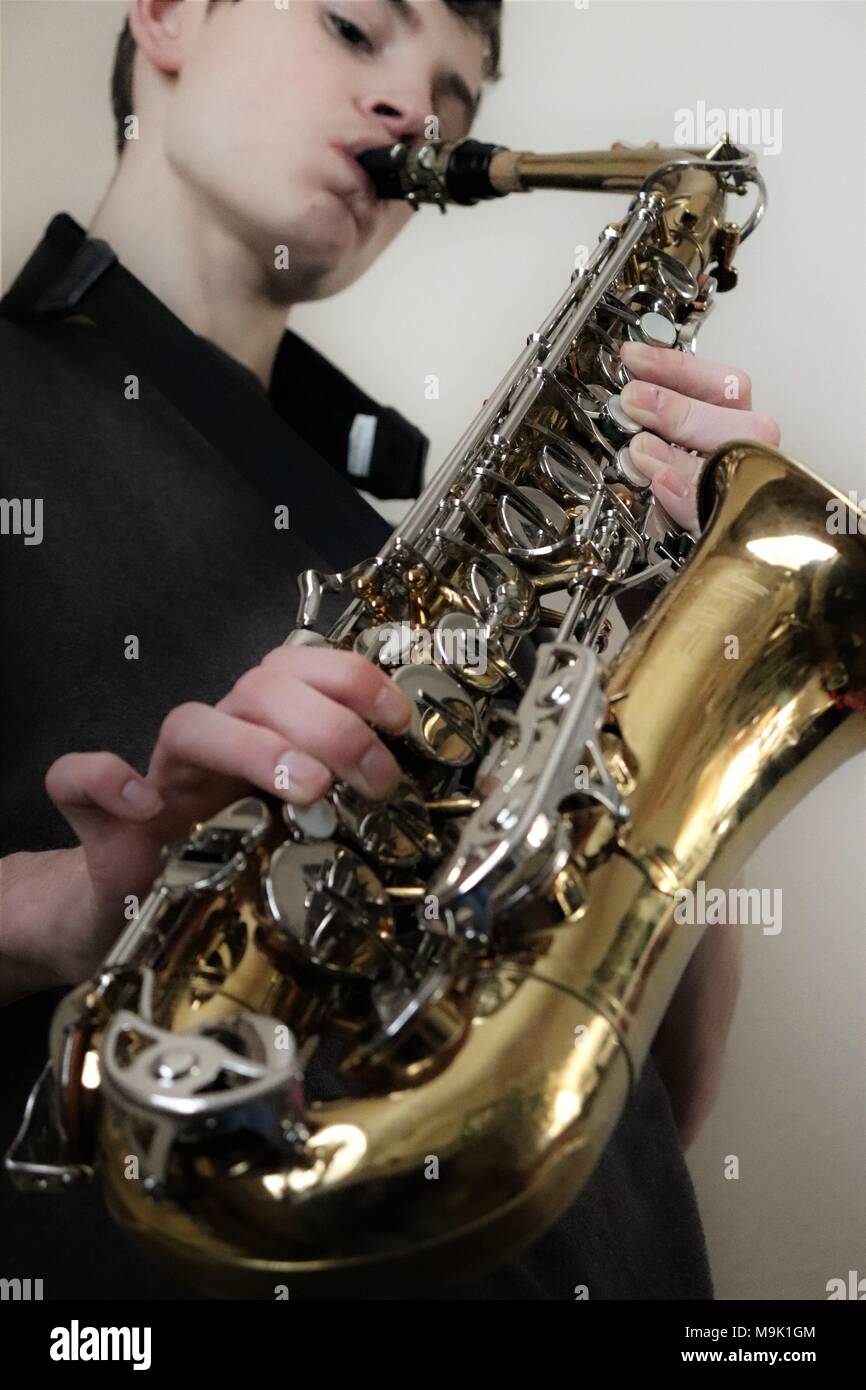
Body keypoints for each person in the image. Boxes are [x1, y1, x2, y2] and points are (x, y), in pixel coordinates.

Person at [0, 0, 780, 1300]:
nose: (416, 112)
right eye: (359, 27)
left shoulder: (409, 556)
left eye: (456, 104)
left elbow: (662, 1100)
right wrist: (65, 908)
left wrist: (669, 650)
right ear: (172, 14)